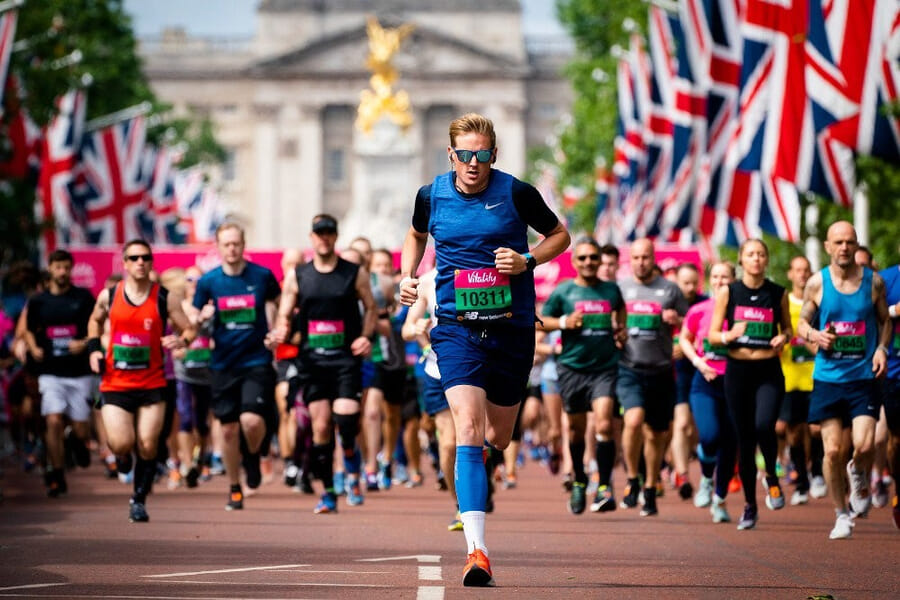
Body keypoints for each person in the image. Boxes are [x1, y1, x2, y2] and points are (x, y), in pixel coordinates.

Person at [399, 113, 569, 587]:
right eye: (465, 155)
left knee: (499, 436)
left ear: (494, 154)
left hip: (512, 329)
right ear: (450, 155)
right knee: (467, 429)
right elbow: (416, 233)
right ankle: (477, 551)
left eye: (483, 154)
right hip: (456, 328)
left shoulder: (517, 193)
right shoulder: (431, 195)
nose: (474, 164)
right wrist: (409, 275)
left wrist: (527, 259)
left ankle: (486, 465)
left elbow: (562, 235)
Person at [272, 214, 377, 513]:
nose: (324, 238)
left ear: (336, 236)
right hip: (313, 361)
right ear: (311, 237)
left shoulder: (353, 273)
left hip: (345, 359)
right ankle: (329, 491)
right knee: (320, 426)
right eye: (319, 233)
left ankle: (349, 454)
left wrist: (366, 336)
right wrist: (281, 329)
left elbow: (371, 307)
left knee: (345, 420)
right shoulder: (298, 275)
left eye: (329, 232)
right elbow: (284, 312)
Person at [86, 240, 195, 522]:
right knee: (122, 444)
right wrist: (94, 349)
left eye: (145, 257)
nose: (140, 263)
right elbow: (94, 322)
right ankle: (121, 458)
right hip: (116, 383)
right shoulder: (109, 295)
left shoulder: (164, 298)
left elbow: (189, 329)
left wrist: (180, 339)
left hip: (152, 383)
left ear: (151, 262)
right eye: (134, 258)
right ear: (124, 263)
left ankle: (139, 499)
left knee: (148, 444)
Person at [797, 221, 890, 539]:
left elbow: (885, 320)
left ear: (856, 244)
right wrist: (814, 334)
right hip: (828, 378)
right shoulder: (816, 283)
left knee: (865, 444)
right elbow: (801, 323)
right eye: (838, 242)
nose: (844, 247)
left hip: (863, 377)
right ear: (828, 246)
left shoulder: (874, 283)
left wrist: (880, 348)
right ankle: (841, 514)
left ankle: (859, 472)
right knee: (833, 451)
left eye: (850, 242)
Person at [193, 223, 281, 511]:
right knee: (228, 430)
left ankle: (253, 455)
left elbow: (280, 305)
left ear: (244, 246)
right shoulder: (209, 282)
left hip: (256, 360)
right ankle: (234, 487)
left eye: (236, 244)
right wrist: (201, 318)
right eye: (226, 244)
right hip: (222, 364)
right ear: (218, 247)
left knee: (252, 421)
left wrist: (277, 330)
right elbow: (195, 318)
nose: (231, 249)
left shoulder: (262, 276)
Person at [709, 238, 792, 531]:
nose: (756, 259)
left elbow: (788, 328)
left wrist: (784, 338)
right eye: (750, 254)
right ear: (742, 260)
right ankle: (749, 505)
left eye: (760, 254)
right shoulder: (729, 292)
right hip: (738, 370)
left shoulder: (777, 293)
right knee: (744, 439)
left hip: (768, 369)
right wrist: (729, 334)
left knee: (764, 425)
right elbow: (713, 335)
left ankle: (770, 474)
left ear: (766, 260)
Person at [539, 237, 625, 514]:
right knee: (574, 432)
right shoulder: (564, 292)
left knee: (603, 425)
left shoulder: (611, 290)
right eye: (583, 258)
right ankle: (578, 479)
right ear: (575, 262)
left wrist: (620, 330)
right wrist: (565, 322)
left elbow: (620, 309)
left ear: (600, 261)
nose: (589, 262)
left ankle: (604, 485)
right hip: (572, 368)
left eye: (593, 257)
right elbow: (539, 321)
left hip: (604, 368)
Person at [616, 239, 688, 517]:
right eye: (636, 257)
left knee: (656, 433)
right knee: (633, 421)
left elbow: (689, 323)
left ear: (653, 258)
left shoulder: (670, 289)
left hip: (660, 369)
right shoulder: (620, 289)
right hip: (629, 367)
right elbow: (613, 320)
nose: (641, 262)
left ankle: (649, 486)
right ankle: (632, 478)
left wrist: (677, 323)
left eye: (646, 257)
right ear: (630, 260)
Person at [23, 249, 96, 496]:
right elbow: (29, 330)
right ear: (51, 269)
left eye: (66, 267)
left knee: (82, 429)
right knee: (52, 419)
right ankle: (56, 473)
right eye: (58, 267)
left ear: (71, 269)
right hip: (50, 372)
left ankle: (77, 441)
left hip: (78, 372)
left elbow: (96, 328)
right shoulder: (38, 301)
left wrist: (84, 342)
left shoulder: (84, 298)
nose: (62, 272)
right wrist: (33, 347)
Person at [678, 261, 738, 523]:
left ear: (734, 280)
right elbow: (684, 339)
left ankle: (720, 499)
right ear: (710, 280)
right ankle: (705, 479)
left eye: (725, 276)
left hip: (736, 385)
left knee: (730, 444)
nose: (720, 281)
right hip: (705, 383)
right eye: (716, 276)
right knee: (710, 435)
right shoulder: (700, 309)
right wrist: (698, 362)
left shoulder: (743, 311)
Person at [402, 268, 462, 528]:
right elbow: (407, 329)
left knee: (484, 440)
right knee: (448, 445)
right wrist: (417, 326)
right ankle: (461, 505)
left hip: (477, 369)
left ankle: (478, 479)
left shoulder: (484, 271)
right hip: (438, 370)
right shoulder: (428, 280)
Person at [777, 256, 822, 505]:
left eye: (806, 270)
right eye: (798, 270)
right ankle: (801, 481)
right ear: (791, 274)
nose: (802, 275)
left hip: (817, 376)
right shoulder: (784, 302)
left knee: (816, 428)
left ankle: (817, 472)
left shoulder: (818, 302)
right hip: (789, 377)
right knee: (792, 432)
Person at [171, 265, 213, 488]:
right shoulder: (180, 308)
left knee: (202, 422)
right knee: (185, 418)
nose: (194, 283)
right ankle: (187, 465)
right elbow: (171, 336)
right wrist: (178, 348)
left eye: (198, 279)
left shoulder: (210, 308)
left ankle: (200, 460)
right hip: (184, 373)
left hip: (206, 373)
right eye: (190, 279)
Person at [670, 263, 705, 499]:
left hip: (703, 370)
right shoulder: (668, 301)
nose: (690, 287)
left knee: (696, 428)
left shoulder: (707, 302)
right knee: (681, 424)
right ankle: (681, 473)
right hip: (676, 372)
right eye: (685, 283)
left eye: (694, 282)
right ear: (677, 282)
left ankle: (691, 458)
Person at [274, 248, 304, 488]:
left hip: (310, 358)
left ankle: (304, 460)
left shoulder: (311, 288)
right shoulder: (277, 293)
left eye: (298, 264)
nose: (293, 269)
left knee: (306, 415)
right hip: (284, 359)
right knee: (287, 411)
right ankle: (289, 463)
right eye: (289, 264)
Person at [878, 256, 900, 529]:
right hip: (894, 371)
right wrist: (895, 310)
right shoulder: (884, 279)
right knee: (896, 440)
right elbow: (872, 314)